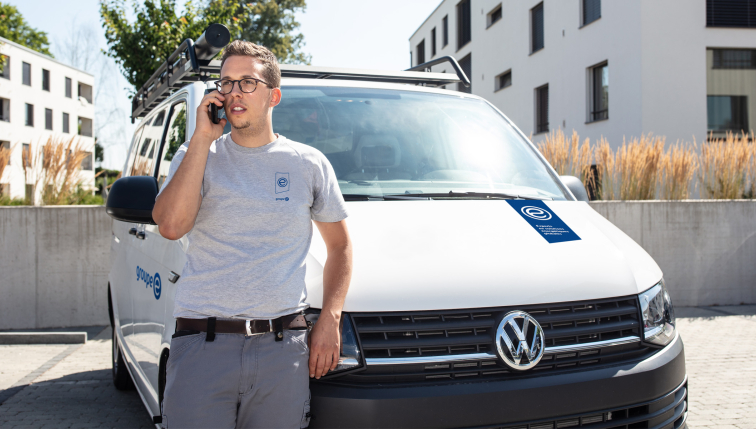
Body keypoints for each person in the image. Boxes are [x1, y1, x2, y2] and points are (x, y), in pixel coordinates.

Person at [152, 40, 352, 429]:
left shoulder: (308, 164)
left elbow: (340, 246)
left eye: (247, 82)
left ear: (273, 95)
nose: (233, 93)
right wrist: (202, 139)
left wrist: (330, 317)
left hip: (282, 351)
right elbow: (171, 226)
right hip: (202, 347)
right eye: (225, 83)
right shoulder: (196, 153)